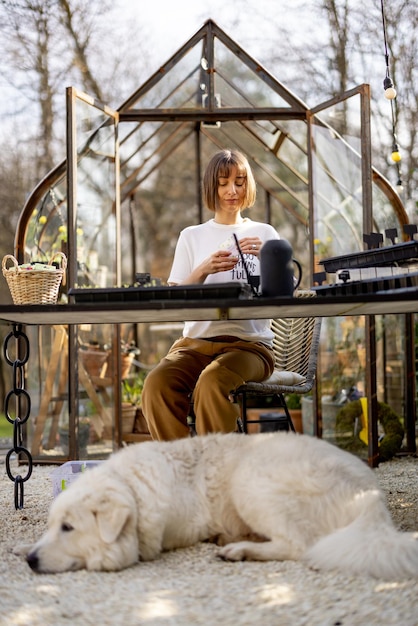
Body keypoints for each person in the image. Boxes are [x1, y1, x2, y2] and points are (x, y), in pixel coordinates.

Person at [142, 149, 280, 440]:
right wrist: (204, 268)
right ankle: (181, 465)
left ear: (248, 185)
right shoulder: (192, 236)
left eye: (240, 182)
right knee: (157, 384)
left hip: (249, 347)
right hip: (194, 345)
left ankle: (220, 471)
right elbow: (176, 296)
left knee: (212, 380)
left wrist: (269, 260)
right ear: (211, 186)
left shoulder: (265, 233)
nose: (232, 190)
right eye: (223, 182)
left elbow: (284, 292)